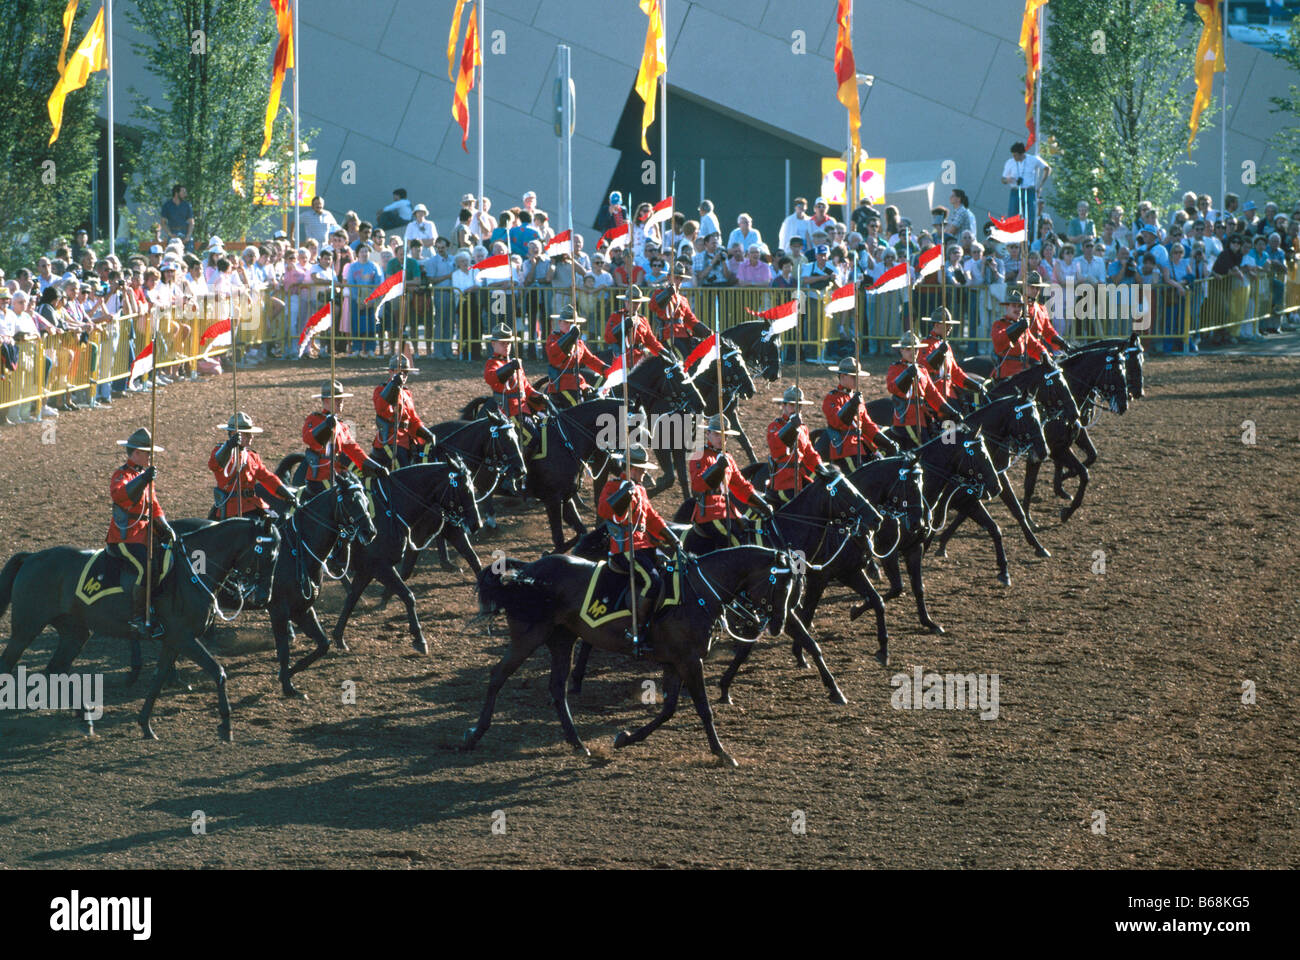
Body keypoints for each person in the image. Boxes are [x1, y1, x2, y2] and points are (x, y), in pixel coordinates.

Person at [597, 444, 677, 657]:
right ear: (630, 468)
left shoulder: (640, 488)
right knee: (653, 581)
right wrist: (624, 493)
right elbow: (604, 511)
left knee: (670, 574)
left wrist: (671, 537)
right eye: (640, 469)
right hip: (624, 548)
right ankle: (638, 631)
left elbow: (651, 516)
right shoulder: (613, 487)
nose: (644, 473)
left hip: (644, 546)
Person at [109, 428, 177, 640]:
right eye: (147, 453)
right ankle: (138, 617)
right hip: (124, 538)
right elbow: (121, 495)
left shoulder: (143, 475)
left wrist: (166, 528)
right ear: (136, 452)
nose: (150, 457)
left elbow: (154, 506)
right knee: (145, 568)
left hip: (146, 534)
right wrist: (143, 480)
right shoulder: (122, 474)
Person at [688, 414, 771, 552]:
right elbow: (697, 486)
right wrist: (716, 468)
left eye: (725, 436)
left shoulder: (728, 458)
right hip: (709, 512)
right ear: (707, 433)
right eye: (717, 434)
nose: (721, 439)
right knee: (737, 543)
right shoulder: (700, 455)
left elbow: (741, 487)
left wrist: (762, 504)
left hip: (728, 511)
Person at [301, 381, 389, 496]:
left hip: (340, 474)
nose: (341, 402)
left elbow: (355, 451)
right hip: (321, 477)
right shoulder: (314, 419)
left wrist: (376, 468)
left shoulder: (343, 426)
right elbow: (309, 439)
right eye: (337, 399)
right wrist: (326, 426)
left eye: (341, 399)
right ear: (327, 400)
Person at [208, 413, 297, 520]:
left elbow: (268, 478)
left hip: (253, 504)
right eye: (247, 434)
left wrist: (288, 495)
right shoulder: (221, 451)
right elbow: (214, 465)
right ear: (234, 434)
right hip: (233, 508)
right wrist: (229, 446)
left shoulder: (252, 456)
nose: (251, 436)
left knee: (277, 523)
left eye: (251, 433)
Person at [886, 331, 963, 448]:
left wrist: (951, 412)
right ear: (901, 350)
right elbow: (892, 388)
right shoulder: (895, 368)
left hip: (922, 420)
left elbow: (933, 395)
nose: (913, 352)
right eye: (908, 349)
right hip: (906, 421)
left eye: (915, 349)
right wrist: (906, 374)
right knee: (927, 450)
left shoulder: (922, 370)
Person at [822, 357, 896, 468]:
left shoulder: (857, 398)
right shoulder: (832, 398)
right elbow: (837, 421)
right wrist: (851, 404)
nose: (857, 380)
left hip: (862, 448)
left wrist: (886, 441)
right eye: (853, 377)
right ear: (842, 376)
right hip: (845, 451)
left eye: (858, 377)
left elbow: (867, 425)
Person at [482, 324, 546, 452]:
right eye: (503, 343)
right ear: (493, 344)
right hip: (510, 412)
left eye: (509, 343)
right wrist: (510, 367)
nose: (506, 346)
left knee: (548, 425)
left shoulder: (514, 362)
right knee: (533, 438)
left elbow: (526, 387)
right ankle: (522, 469)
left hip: (524, 408)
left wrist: (539, 396)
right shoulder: (493, 363)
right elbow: (491, 378)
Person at [372, 355, 436, 469]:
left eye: (406, 372)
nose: (404, 375)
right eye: (401, 372)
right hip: (391, 440)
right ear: (391, 372)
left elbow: (413, 419)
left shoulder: (407, 393)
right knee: (406, 472)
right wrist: (393, 385)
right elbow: (381, 409)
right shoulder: (381, 389)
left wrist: (426, 433)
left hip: (408, 440)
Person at [766, 386, 823, 503]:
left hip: (800, 479)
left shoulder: (803, 429)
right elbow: (776, 447)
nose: (796, 409)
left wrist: (822, 470)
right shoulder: (775, 426)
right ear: (784, 405)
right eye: (792, 405)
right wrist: (791, 427)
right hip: (783, 483)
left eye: (799, 406)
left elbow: (810, 454)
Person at [544, 305, 607, 408]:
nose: (570, 325)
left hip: (579, 383)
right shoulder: (553, 338)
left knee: (597, 401)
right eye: (567, 322)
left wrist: (606, 369)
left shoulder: (579, 343)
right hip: (561, 386)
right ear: (560, 323)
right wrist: (569, 337)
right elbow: (553, 355)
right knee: (578, 408)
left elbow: (591, 360)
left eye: (573, 323)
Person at [920, 308, 986, 405]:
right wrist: (939, 352)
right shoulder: (926, 344)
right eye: (946, 324)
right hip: (935, 394)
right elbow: (924, 367)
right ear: (936, 325)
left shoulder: (946, 345)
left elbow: (955, 372)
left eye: (950, 325)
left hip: (950, 391)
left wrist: (975, 385)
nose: (950, 327)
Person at [991, 288, 1049, 379]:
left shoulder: (1023, 328)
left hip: (1023, 371)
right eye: (1014, 306)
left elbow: (1035, 346)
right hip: (1007, 374)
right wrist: (1018, 327)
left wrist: (1045, 355)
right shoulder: (998, 325)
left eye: (1020, 306)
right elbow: (999, 341)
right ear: (1007, 307)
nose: (1017, 309)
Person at [605, 284, 667, 369]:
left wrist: (663, 351)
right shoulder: (616, 317)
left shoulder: (642, 319)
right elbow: (608, 338)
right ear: (625, 302)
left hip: (640, 359)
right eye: (631, 302)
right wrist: (623, 325)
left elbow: (651, 341)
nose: (634, 305)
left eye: (637, 302)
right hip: (622, 358)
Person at [1001, 143, 1051, 242]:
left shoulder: (1033, 159)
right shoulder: (1010, 162)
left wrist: (1040, 185)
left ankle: (1029, 241)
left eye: (1015, 155)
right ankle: (1013, 242)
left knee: (1030, 217)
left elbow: (1047, 168)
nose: (1014, 157)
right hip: (1015, 191)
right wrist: (1008, 180)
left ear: (1021, 154)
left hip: (1029, 191)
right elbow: (1003, 179)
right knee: (1013, 217)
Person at [649, 263, 708, 345]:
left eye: (681, 279)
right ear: (669, 277)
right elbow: (652, 306)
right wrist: (667, 293)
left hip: (683, 334)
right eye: (676, 278)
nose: (679, 281)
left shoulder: (683, 299)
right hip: (667, 334)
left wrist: (704, 329)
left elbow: (690, 319)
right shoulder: (660, 293)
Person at [1023, 271, 1071, 352]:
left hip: (1038, 349)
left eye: (1037, 288)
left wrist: (1061, 342)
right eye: (1032, 287)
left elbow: (1048, 332)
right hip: (1024, 351)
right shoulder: (1019, 307)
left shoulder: (1041, 309)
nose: (1035, 291)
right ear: (1025, 287)